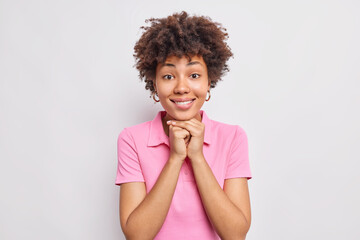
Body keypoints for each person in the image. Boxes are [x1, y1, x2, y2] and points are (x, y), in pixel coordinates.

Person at [115, 11, 252, 240]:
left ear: (209, 82)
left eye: (194, 75)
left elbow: (235, 234)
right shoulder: (131, 139)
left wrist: (197, 157)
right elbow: (137, 235)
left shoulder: (233, 137)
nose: (181, 87)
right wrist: (175, 158)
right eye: (168, 76)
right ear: (154, 84)